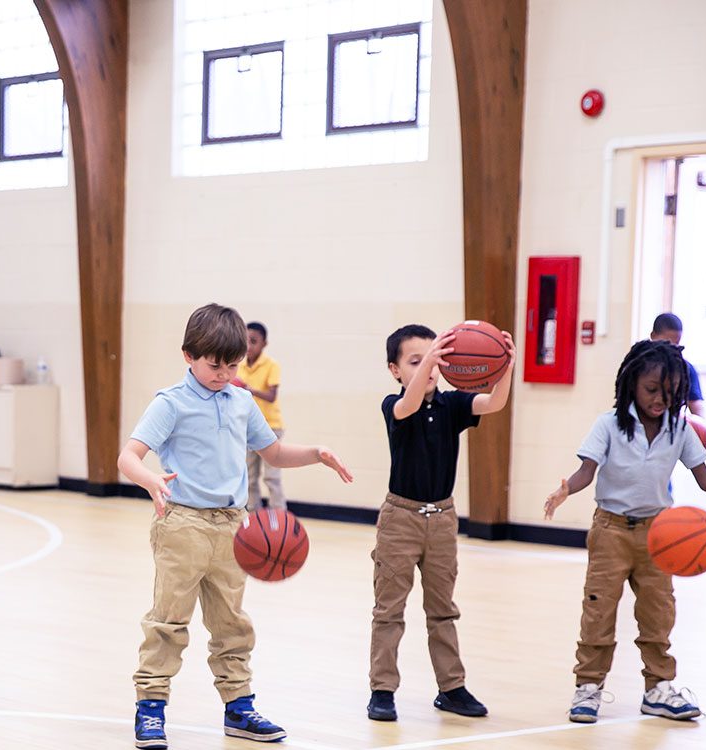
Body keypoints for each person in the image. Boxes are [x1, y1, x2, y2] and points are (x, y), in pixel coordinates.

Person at [117, 303, 353, 748]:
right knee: (168, 622)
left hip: (233, 527)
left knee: (232, 624)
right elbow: (128, 456)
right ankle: (150, 708)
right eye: (214, 365)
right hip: (182, 523)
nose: (224, 374)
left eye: (232, 364)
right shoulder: (171, 402)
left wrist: (316, 453)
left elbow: (275, 454)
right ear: (188, 355)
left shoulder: (242, 400)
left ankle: (239, 707)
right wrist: (149, 478)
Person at [544, 339, 706, 724]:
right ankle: (588, 687)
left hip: (659, 535)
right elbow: (586, 471)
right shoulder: (608, 424)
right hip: (610, 531)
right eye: (652, 390)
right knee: (598, 611)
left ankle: (658, 688)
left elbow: (705, 479)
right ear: (631, 384)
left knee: (658, 616)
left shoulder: (679, 428)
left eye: (671, 391)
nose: (661, 398)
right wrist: (565, 490)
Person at [366, 324, 514, 722]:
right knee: (389, 611)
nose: (430, 368)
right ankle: (382, 690)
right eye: (416, 361)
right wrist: (430, 360)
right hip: (400, 519)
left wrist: (506, 367)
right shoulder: (393, 405)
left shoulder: (451, 405)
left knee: (443, 610)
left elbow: (493, 403)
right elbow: (407, 407)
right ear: (395, 370)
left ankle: (451, 688)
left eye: (434, 359)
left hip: (443, 520)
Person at [236, 321, 284, 510]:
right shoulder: (238, 366)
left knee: (272, 477)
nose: (248, 346)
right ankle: (253, 519)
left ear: (264, 344)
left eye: (254, 341)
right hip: (247, 428)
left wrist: (248, 389)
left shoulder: (272, 365)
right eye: (246, 341)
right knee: (249, 476)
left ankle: (280, 518)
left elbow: (272, 396)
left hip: (271, 427)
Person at [650, 313, 703, 416]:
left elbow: (698, 411)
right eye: (666, 343)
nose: (671, 349)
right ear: (653, 336)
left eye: (676, 344)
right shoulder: (637, 367)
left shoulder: (685, 369)